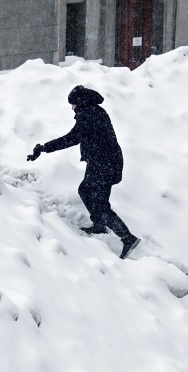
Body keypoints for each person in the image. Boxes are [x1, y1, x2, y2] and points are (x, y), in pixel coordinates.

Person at [27, 85, 141, 259]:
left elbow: (71, 138)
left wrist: (44, 148)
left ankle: (128, 238)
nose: (71, 108)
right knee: (85, 190)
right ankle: (99, 224)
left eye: (73, 104)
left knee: (101, 204)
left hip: (105, 165)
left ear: (80, 102)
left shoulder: (88, 116)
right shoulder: (94, 111)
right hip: (102, 162)